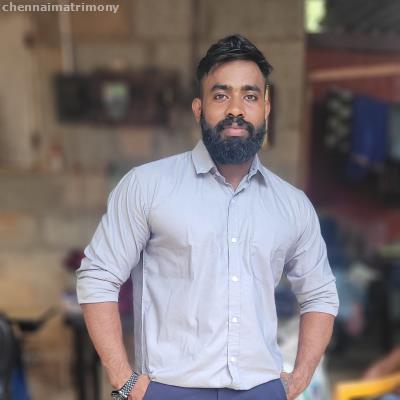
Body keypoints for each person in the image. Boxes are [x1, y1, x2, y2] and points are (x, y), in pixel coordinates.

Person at [76, 34, 339, 400]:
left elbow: (320, 294)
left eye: (250, 96)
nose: (236, 110)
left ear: (266, 108)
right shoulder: (147, 186)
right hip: (169, 391)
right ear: (199, 109)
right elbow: (98, 276)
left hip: (261, 390)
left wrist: (300, 376)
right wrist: (125, 380)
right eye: (221, 96)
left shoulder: (292, 205)